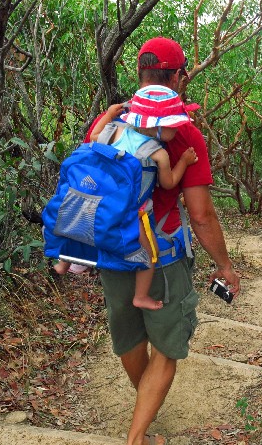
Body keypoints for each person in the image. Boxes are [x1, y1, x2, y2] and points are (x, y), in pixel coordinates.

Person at [87, 37, 240, 445]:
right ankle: (136, 443)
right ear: (178, 77)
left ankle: (144, 407)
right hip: (162, 255)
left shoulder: (111, 121)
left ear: (141, 75)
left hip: (111, 252)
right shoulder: (183, 132)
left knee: (129, 334)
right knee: (167, 347)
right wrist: (225, 267)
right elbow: (201, 214)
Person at [54, 86, 199, 312]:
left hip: (97, 201)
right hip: (130, 212)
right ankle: (140, 296)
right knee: (146, 257)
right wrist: (184, 161)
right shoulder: (158, 153)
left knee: (80, 231)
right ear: (159, 127)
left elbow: (93, 138)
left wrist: (109, 115)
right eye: (174, 125)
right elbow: (168, 183)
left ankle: (63, 264)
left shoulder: (115, 130)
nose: (178, 129)